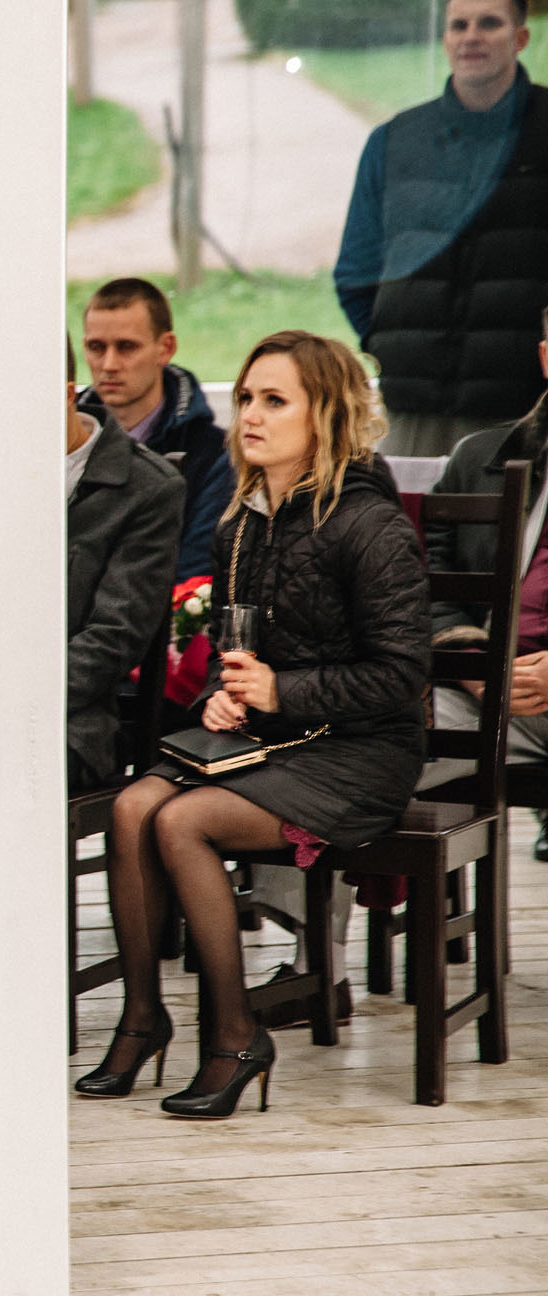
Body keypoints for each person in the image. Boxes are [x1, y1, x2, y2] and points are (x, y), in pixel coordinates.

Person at [77, 331, 429, 1119]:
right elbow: (239, 653)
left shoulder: (368, 524)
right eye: (244, 399)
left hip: (361, 750)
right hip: (272, 735)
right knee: (133, 806)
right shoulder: (243, 520)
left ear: (326, 413)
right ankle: (143, 1017)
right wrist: (221, 694)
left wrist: (280, 689)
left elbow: (404, 676)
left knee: (184, 823)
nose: (250, 415)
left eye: (275, 400)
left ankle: (237, 1037)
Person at [334, 0, 548, 457]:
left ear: (521, 38)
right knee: (408, 528)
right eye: (459, 25)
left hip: (526, 412)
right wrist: (398, 348)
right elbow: (355, 272)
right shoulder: (392, 142)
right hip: (412, 414)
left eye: (489, 23)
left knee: (516, 531)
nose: (472, 35)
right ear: (446, 39)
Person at [422, 305, 548, 853]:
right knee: (368, 733)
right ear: (546, 358)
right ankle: (313, 928)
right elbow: (426, 587)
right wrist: (479, 668)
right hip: (483, 692)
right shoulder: (481, 459)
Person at [66, 336, 187, 791]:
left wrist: (10, 697)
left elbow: (115, 637)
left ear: (67, 393)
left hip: (70, 724)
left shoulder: (148, 486)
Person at [78, 277, 235, 580]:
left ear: (166, 348)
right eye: (96, 347)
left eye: (126, 347)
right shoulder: (64, 442)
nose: (109, 364)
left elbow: (195, 576)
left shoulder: (212, 454)